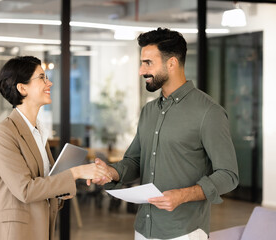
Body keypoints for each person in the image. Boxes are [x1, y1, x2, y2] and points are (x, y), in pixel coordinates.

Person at [93, 27, 239, 240]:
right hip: (144, 228)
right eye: (141, 63)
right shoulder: (149, 111)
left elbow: (229, 175)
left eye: (148, 63)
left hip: (184, 231)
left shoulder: (209, 112)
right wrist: (111, 172)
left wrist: (183, 195)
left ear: (171, 63)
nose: (141, 71)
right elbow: (135, 161)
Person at [0, 56, 111, 240]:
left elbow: (45, 185)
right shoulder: (3, 132)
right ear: (22, 88)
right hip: (16, 233)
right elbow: (26, 190)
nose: (49, 83)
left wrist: (64, 184)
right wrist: (75, 173)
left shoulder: (38, 131)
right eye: (42, 77)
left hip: (41, 226)